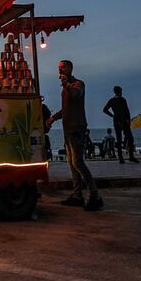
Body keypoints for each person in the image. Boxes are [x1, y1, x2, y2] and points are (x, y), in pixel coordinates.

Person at [46, 60, 103, 211]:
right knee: (71, 162)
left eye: (63, 67)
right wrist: (53, 118)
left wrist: (66, 84)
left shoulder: (78, 84)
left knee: (78, 162)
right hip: (68, 128)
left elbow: (76, 95)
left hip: (77, 128)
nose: (60, 70)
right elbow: (66, 108)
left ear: (70, 68)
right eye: (59, 68)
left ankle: (95, 196)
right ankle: (77, 195)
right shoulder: (66, 88)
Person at [103, 86, 138, 164]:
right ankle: (131, 157)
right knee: (130, 139)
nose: (122, 93)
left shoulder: (111, 100)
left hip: (116, 122)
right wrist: (128, 121)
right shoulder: (122, 100)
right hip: (124, 122)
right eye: (121, 91)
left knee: (119, 140)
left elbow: (105, 110)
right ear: (119, 91)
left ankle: (121, 158)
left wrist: (113, 116)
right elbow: (127, 111)